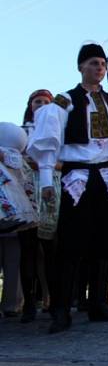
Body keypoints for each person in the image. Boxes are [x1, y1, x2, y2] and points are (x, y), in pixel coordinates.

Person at [27, 43, 108, 333]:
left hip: (107, 175)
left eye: (101, 63)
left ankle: (99, 303)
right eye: (92, 63)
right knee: (71, 243)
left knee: (103, 242)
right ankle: (61, 309)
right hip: (77, 175)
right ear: (80, 67)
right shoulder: (65, 100)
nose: (98, 68)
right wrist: (48, 180)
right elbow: (48, 138)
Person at [19, 89, 54, 323]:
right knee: (28, 249)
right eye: (37, 102)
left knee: (51, 248)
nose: (41, 105)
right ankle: (30, 302)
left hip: (52, 190)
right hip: (26, 191)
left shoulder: (57, 129)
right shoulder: (20, 132)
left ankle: (53, 299)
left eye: (45, 102)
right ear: (30, 106)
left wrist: (47, 166)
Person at [0, 123, 38, 317]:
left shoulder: (15, 157)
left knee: (14, 261)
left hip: (14, 217)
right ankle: (11, 304)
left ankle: (12, 303)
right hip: (15, 216)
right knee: (13, 260)